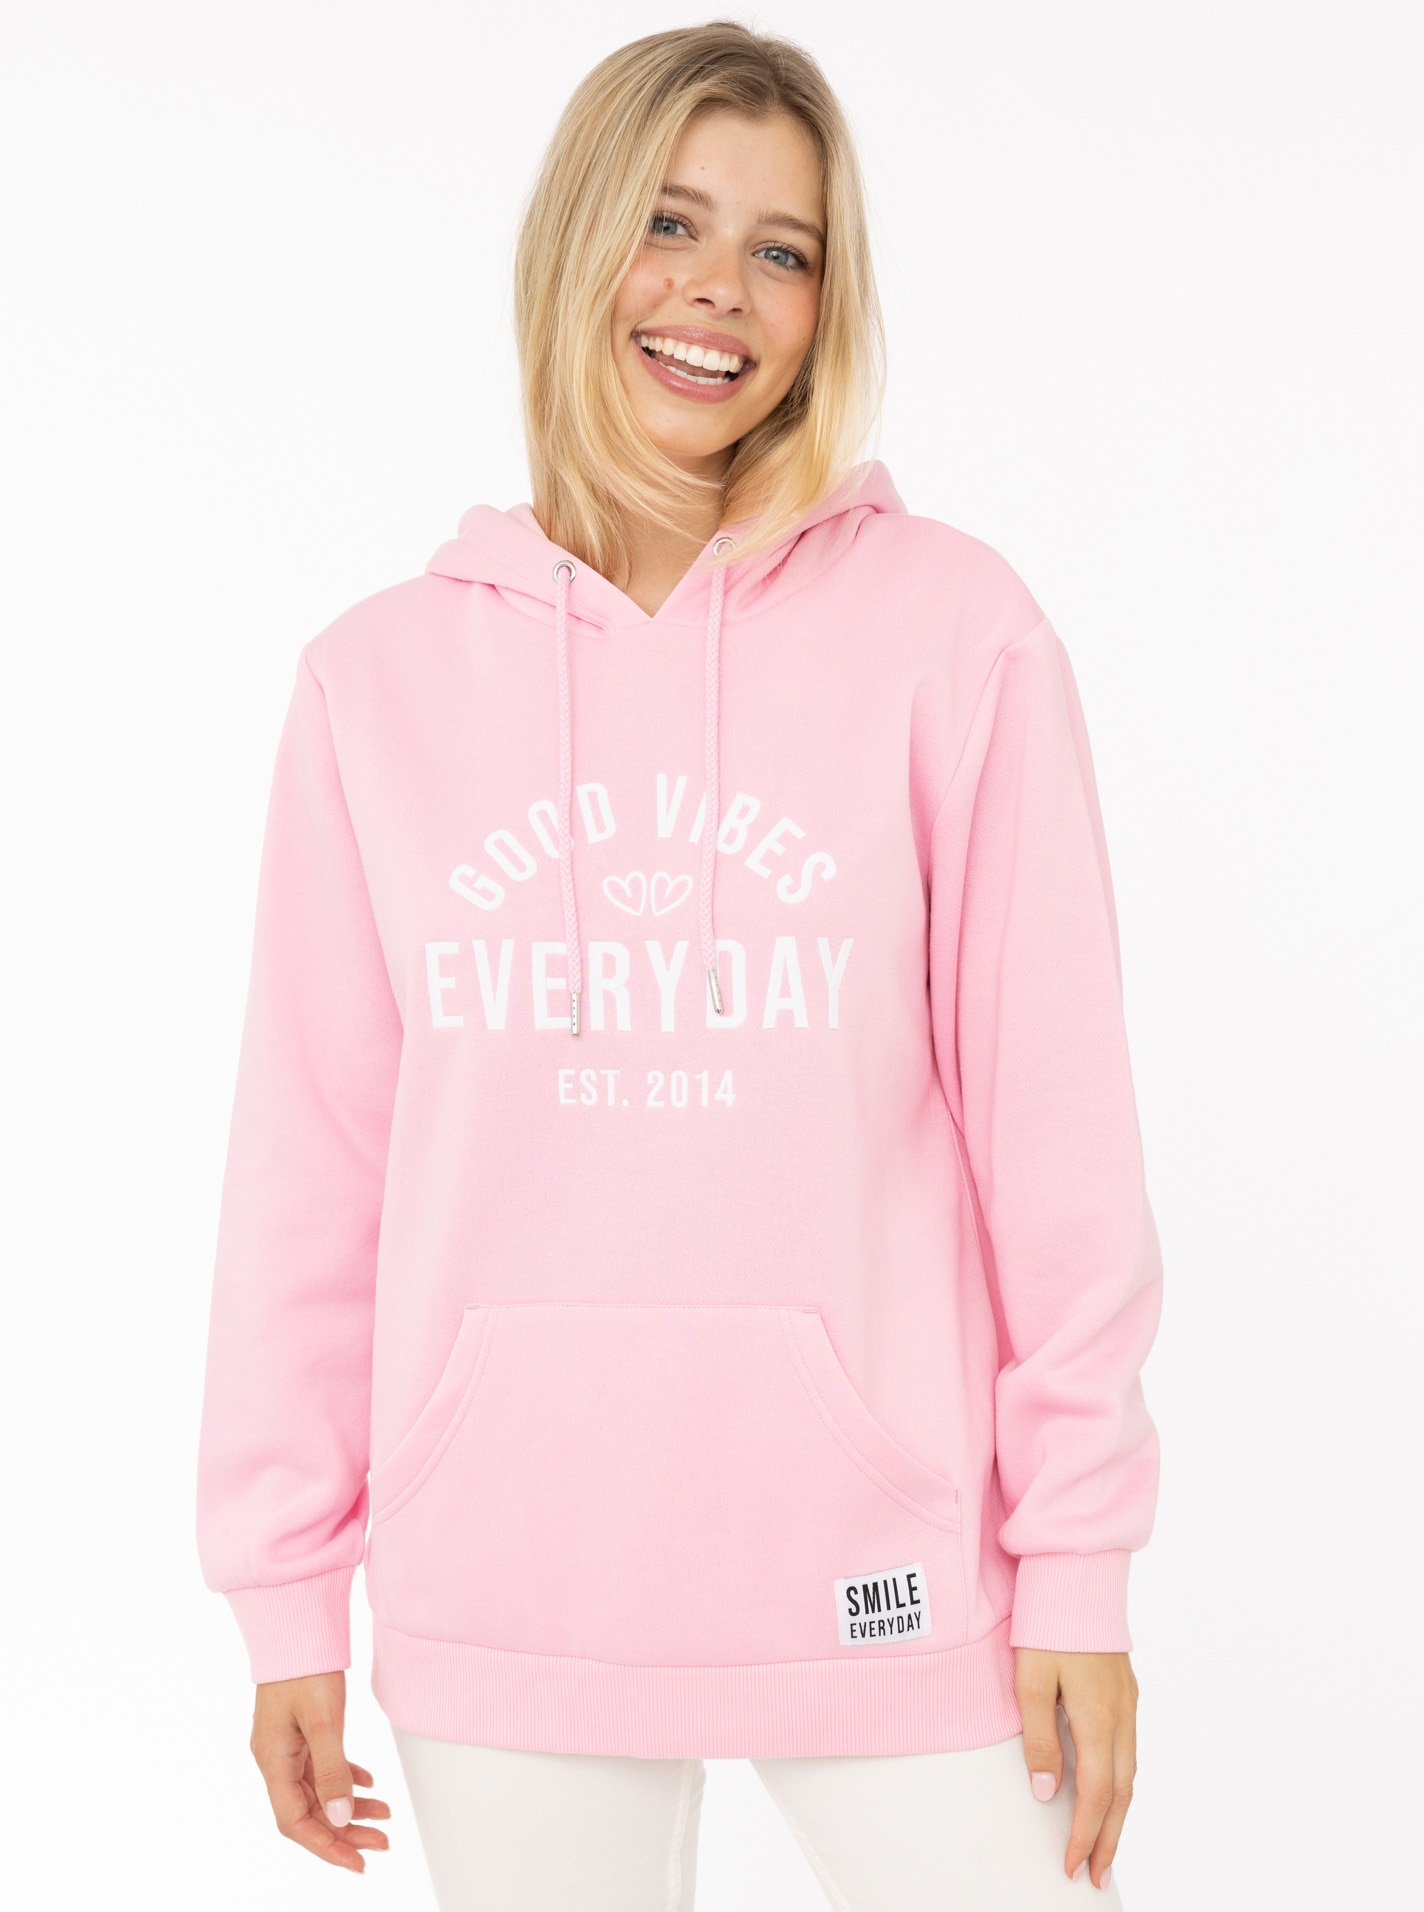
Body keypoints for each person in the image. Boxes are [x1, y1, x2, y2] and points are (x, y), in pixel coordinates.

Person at [196, 22, 1163, 1909]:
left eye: (782, 250)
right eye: (670, 221)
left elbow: (1057, 1141)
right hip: (511, 1580)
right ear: (575, 242)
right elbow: (309, 1177)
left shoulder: (952, 636)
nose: (721, 289)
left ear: (824, 304)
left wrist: (1080, 1563)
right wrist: (284, 1589)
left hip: (892, 1569)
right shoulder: (378, 686)